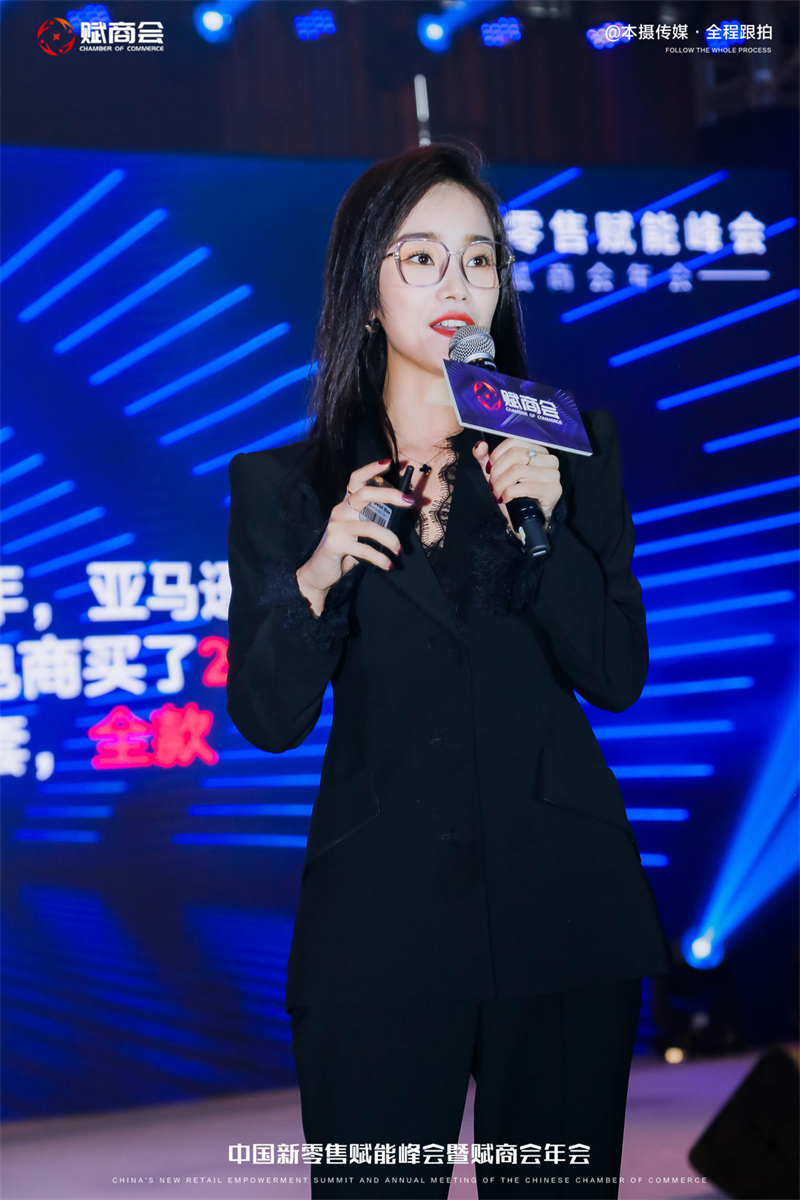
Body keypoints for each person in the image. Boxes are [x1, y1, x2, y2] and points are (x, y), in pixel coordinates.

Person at [225, 141, 673, 1200]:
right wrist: (317, 577)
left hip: (562, 910)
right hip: (378, 927)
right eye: (420, 257)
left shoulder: (570, 449)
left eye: (479, 258)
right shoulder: (287, 486)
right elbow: (268, 715)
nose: (455, 282)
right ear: (366, 290)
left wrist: (548, 531)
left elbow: (615, 675)